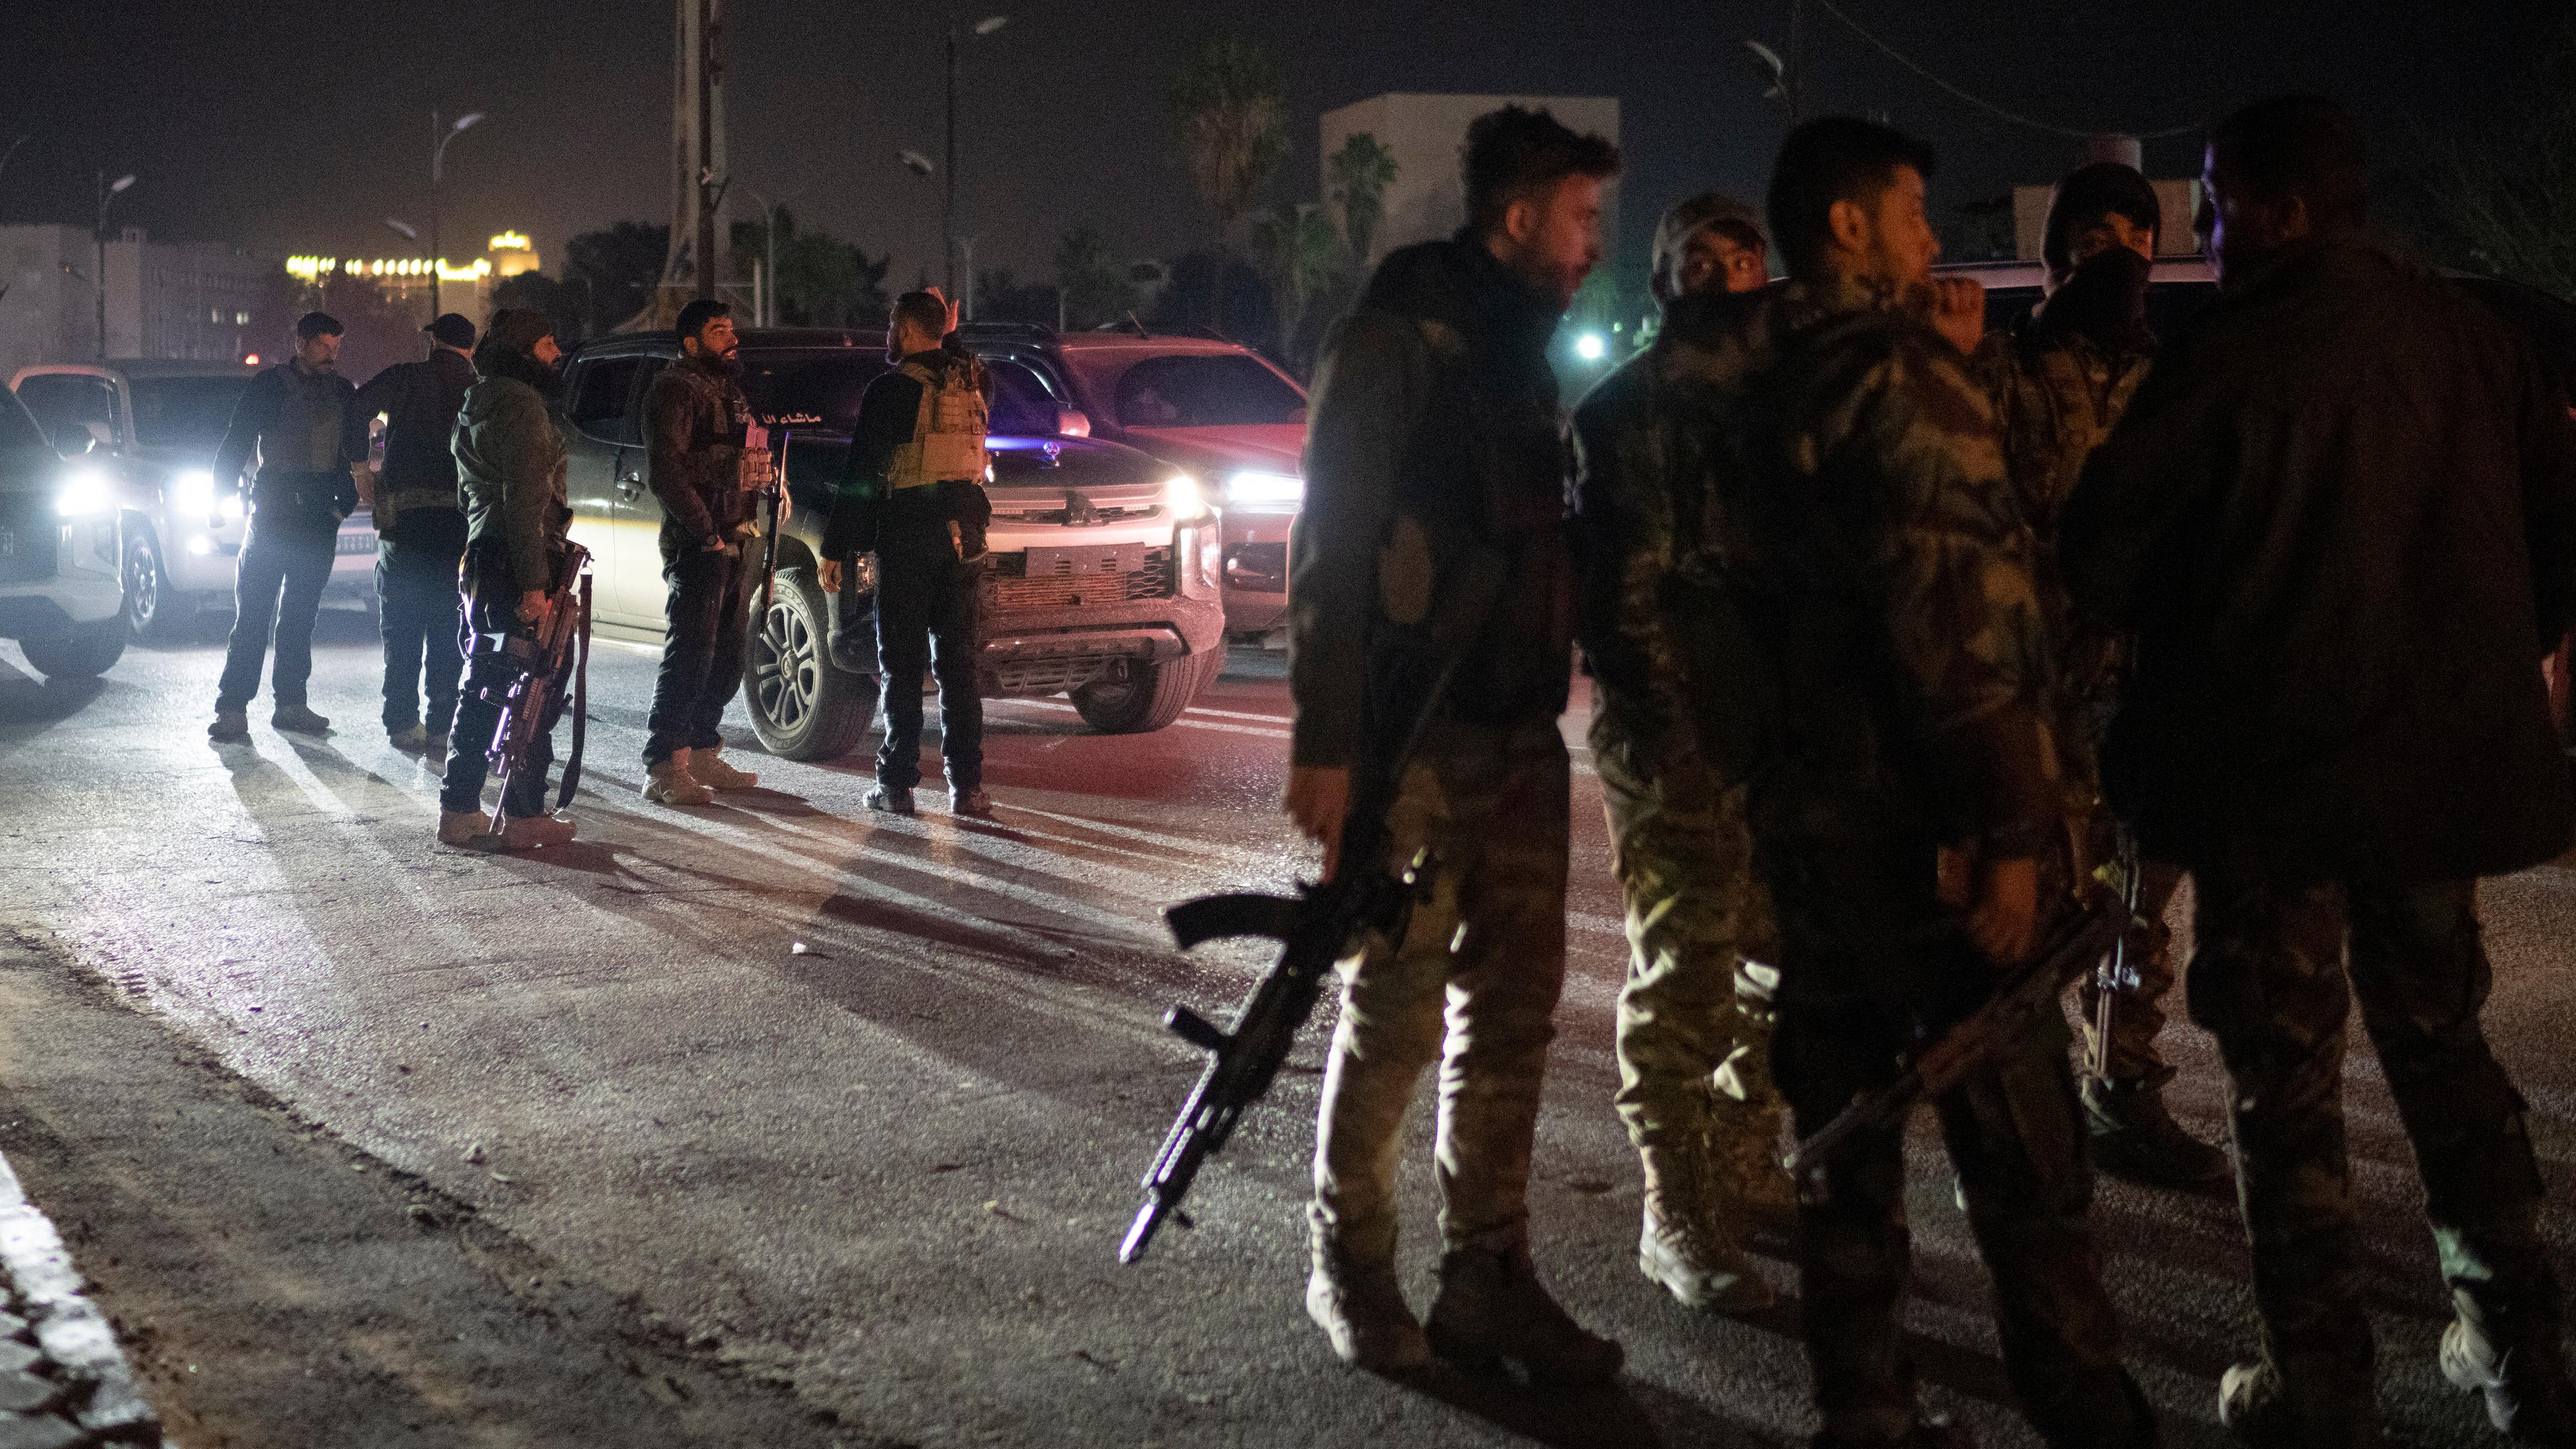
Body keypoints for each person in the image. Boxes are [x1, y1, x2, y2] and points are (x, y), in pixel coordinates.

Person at [2061, 95, 2576, 1447]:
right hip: (2435, 787)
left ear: (2281, 211)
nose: (2212, 232)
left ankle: (2324, 1387)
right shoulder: (2478, 336)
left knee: (2285, 1096)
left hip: (2269, 798)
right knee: (2448, 1059)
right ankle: (2523, 1363)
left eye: (2221, 203)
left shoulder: (2226, 356)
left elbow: (2100, 553)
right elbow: (2558, 552)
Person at [1718, 117, 2154, 1448]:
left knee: (1846, 1150)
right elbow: (1966, 634)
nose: (1928, 234)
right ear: (1848, 228)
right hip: (1937, 854)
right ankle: (2085, 1411)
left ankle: (1865, 1409)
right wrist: (2014, 838)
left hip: (1810, 841)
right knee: (2027, 1160)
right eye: (1910, 210)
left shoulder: (1747, 379)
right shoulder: (1906, 380)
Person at [1283, 105, 1623, 1385]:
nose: (1596, 244)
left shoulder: (1520, 351)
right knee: (1395, 1009)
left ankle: (1489, 1276)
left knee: (1516, 1015)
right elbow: (1334, 535)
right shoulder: (1400, 333)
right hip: (1415, 738)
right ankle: (1352, 1267)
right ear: (1522, 213)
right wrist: (1329, 745)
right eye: (1582, 218)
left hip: (1522, 732)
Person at [1970, 164, 2229, 1190]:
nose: (2113, 248)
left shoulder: (2177, 383)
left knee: (2134, 906)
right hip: (2032, 693)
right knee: (2026, 908)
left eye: (2134, 232)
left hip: (2146, 688)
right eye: (2091, 232)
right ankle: (2009, 1124)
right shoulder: (2004, 373)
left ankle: (2118, 1095)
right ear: (2056, 251)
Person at [1571, 189, 1791, 1318]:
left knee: (1778, 963)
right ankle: (1676, 1207)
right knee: (1688, 974)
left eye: (1742, 258)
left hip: (1782, 732)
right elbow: (1624, 605)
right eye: (1697, 261)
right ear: (1664, 282)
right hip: (1676, 739)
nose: (1723, 279)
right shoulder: (1624, 414)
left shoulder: (1790, 402)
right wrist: (1679, 750)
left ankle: (1746, 1162)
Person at [817, 289, 994, 818]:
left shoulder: (891, 389)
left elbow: (862, 475)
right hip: (967, 537)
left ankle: (896, 785)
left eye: (895, 324)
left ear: (910, 330)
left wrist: (837, 548)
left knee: (901, 665)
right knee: (959, 665)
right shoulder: (978, 383)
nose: (889, 333)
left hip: (908, 536)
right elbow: (957, 367)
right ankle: (969, 789)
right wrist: (952, 334)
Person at [436, 310, 580, 852]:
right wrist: (535, 584)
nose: (556, 353)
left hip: (484, 555)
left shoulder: (477, 400)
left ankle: (462, 807)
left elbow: (469, 495)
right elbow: (526, 501)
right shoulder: (521, 404)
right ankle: (520, 813)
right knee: (535, 686)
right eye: (546, 342)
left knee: (486, 683)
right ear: (523, 351)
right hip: (517, 559)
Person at [207, 311, 365, 742]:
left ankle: (291, 705)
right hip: (274, 516)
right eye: (323, 345)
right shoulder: (271, 385)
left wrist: (341, 509)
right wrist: (218, 496)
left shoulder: (342, 392)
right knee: (254, 616)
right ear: (300, 342)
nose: (331, 354)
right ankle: (233, 708)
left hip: (316, 522)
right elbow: (237, 439)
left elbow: (354, 455)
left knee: (299, 619)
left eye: (337, 346)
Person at [639, 298, 769, 806]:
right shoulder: (675, 389)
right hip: (701, 545)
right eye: (718, 331)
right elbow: (667, 473)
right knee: (690, 655)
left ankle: (702, 749)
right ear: (691, 342)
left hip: (737, 539)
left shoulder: (729, 390)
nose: (731, 338)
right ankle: (662, 766)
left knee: (727, 655)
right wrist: (705, 533)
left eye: (732, 329)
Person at [356, 312, 477, 755]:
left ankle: (402, 723)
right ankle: (444, 724)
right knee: (450, 629)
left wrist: (358, 468)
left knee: (402, 627)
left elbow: (356, 409)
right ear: (470, 347)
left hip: (402, 524)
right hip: (458, 526)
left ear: (433, 342)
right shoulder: (478, 387)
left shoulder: (405, 377)